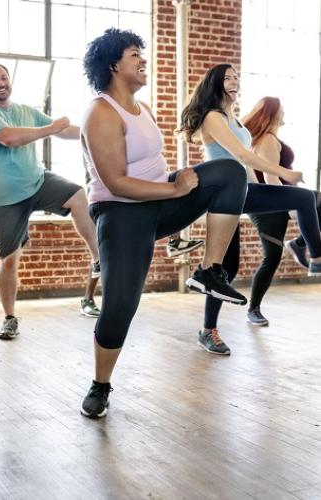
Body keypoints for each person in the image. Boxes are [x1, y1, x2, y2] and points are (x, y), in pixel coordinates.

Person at [79, 28, 249, 419]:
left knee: (229, 172)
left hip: (160, 198)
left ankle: (209, 270)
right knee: (121, 304)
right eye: (134, 53)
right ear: (112, 64)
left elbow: (151, 166)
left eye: (143, 52)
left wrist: (177, 181)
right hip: (120, 212)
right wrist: (175, 192)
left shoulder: (144, 109)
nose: (143, 59)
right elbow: (116, 181)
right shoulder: (101, 111)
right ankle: (100, 385)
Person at [178, 64, 321, 354]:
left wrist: (274, 188)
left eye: (236, 77)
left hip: (244, 192)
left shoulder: (236, 120)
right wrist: (286, 173)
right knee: (224, 268)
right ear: (215, 84)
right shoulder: (213, 117)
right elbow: (242, 155)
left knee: (305, 198)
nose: (234, 81)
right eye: (227, 78)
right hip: (223, 197)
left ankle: (316, 258)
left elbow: (247, 159)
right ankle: (208, 330)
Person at [0, 63, 101, 339]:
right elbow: (9, 138)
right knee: (9, 261)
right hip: (5, 199)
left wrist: (94, 132)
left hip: (38, 182)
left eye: (4, 77)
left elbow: (63, 131)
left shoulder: (25, 111)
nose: (0, 83)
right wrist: (51, 128)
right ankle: (9, 318)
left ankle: (98, 258)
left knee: (78, 195)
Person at [242, 97, 321, 325]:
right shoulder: (267, 139)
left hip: (276, 200)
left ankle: (300, 244)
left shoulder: (269, 139)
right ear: (273, 113)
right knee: (272, 258)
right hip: (269, 205)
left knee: (317, 201)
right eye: (282, 109)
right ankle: (253, 309)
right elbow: (270, 178)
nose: (284, 112)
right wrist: (288, 205)